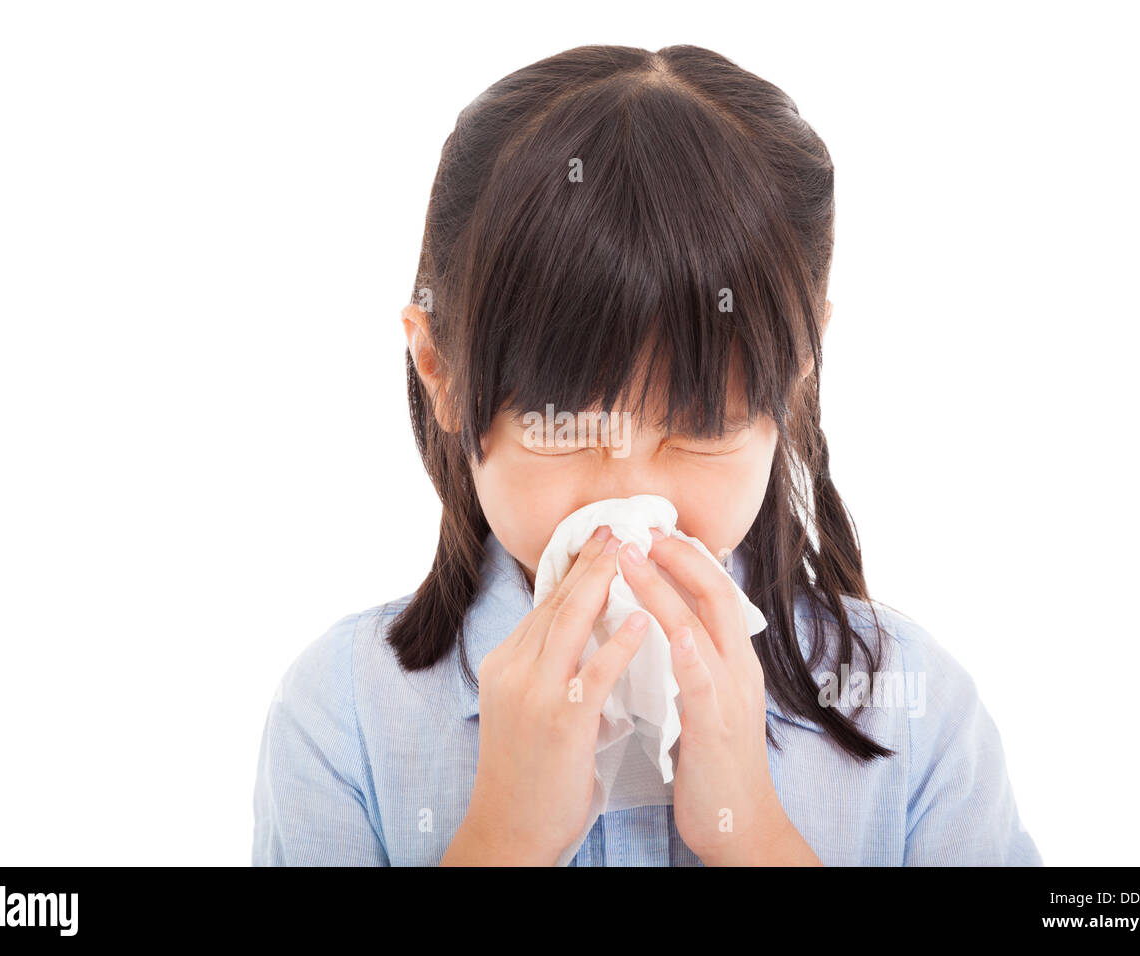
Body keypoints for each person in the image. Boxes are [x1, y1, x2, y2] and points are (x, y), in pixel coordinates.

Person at [252, 43, 1042, 866]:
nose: (629, 497)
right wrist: (504, 840)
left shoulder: (914, 716)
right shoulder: (342, 716)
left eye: (701, 427)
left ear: (796, 376)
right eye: (563, 425)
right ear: (441, 370)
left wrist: (755, 835)